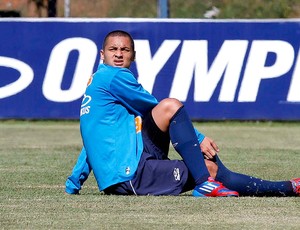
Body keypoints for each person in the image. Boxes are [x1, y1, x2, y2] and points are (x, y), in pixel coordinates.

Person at [65, 30, 300, 197]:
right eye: (113, 49)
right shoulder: (115, 76)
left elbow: (92, 138)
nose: (118, 54)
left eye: (124, 49)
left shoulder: (96, 83)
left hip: (129, 165)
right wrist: (198, 138)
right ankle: (210, 184)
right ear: (102, 54)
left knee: (199, 152)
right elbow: (156, 107)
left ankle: (286, 186)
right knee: (208, 166)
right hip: (130, 176)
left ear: (133, 55)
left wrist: (74, 182)